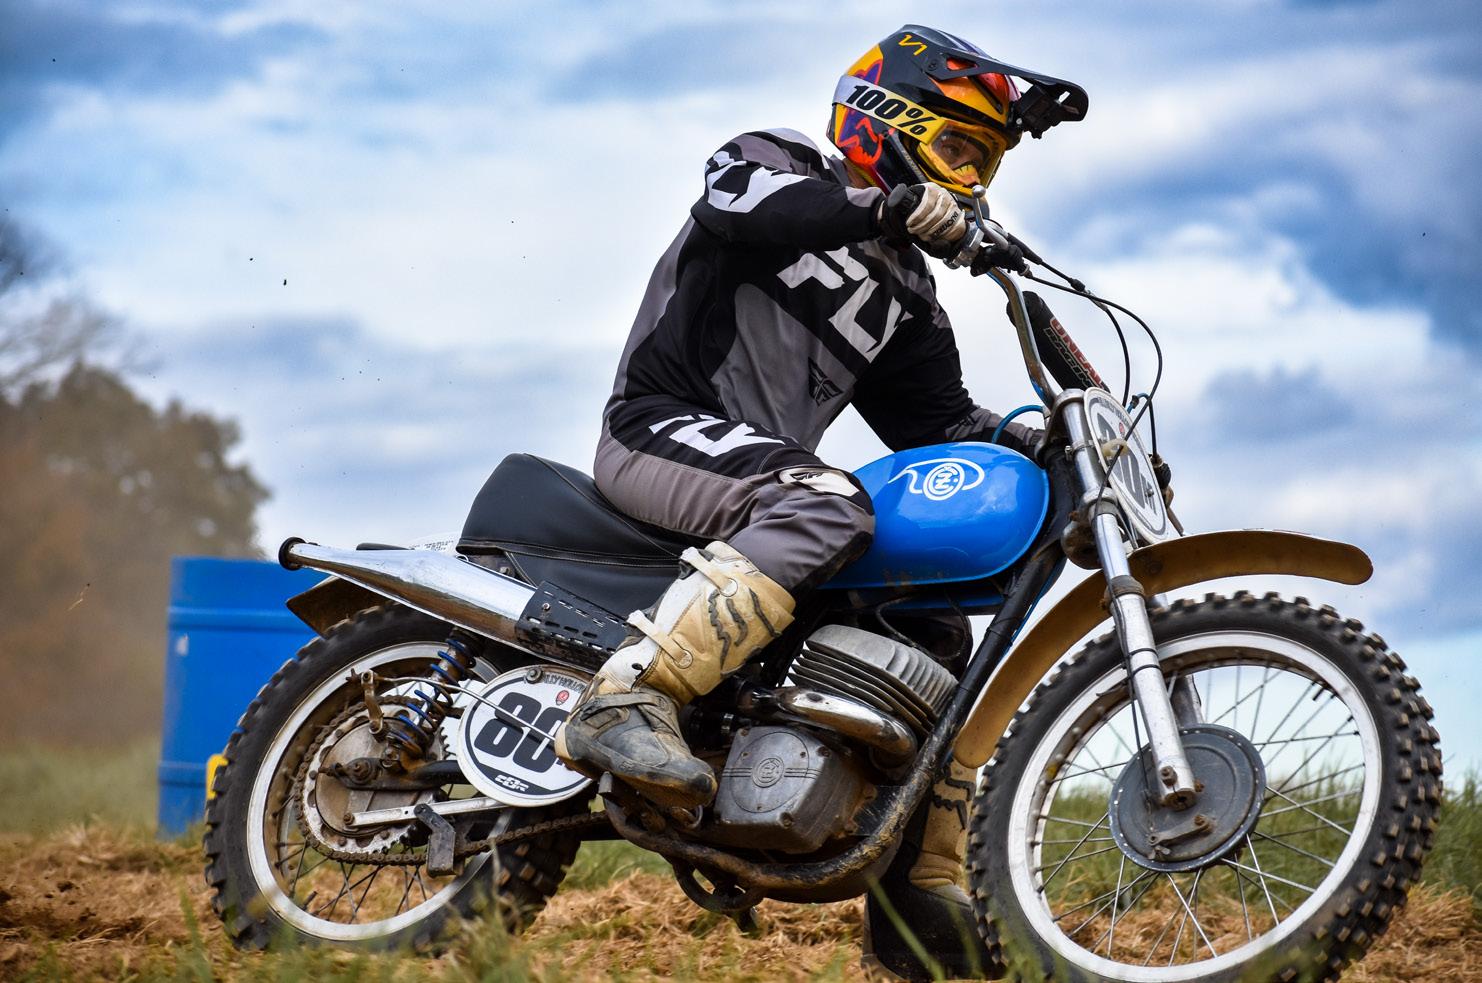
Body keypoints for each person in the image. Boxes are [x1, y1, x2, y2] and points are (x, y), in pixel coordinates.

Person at [554, 24, 1050, 979]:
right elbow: (744, 206)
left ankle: (913, 893)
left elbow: (937, 422)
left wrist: (1038, 441)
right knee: (830, 503)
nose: (967, 182)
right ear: (887, 120)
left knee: (932, 616)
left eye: (981, 165)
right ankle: (626, 699)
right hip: (657, 428)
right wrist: (886, 205)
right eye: (956, 150)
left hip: (758, 481)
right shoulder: (772, 162)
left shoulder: (908, 292)